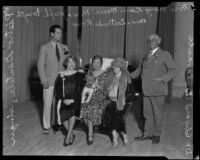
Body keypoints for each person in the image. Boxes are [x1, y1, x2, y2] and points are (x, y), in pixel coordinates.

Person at [130, 34, 176, 144]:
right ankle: (147, 134)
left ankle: (157, 134)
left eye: (153, 40)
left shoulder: (165, 54)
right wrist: (127, 75)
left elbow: (173, 70)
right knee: (147, 113)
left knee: (157, 114)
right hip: (146, 90)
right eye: (149, 40)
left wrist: (163, 78)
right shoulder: (146, 56)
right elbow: (139, 70)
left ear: (158, 41)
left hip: (157, 90)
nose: (151, 42)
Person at [37, 24, 69, 134]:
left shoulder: (65, 47)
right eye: (58, 33)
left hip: (61, 80)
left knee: (59, 103)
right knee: (48, 103)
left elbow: (68, 62)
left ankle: (57, 124)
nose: (60, 35)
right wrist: (43, 80)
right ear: (52, 34)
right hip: (49, 80)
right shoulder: (44, 47)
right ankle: (46, 126)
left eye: (61, 33)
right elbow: (40, 66)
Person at [52, 55, 85, 146]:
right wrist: (63, 100)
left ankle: (68, 136)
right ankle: (72, 134)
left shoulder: (79, 75)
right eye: (69, 62)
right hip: (64, 100)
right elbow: (57, 89)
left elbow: (80, 89)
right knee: (62, 116)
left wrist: (73, 99)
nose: (72, 64)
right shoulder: (61, 74)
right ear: (66, 63)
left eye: (74, 62)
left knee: (73, 113)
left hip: (75, 100)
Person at [79, 55, 109, 145]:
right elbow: (84, 87)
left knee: (91, 107)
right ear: (92, 63)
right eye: (94, 62)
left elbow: (106, 92)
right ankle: (91, 127)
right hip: (88, 97)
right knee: (83, 107)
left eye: (98, 62)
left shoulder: (105, 75)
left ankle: (90, 134)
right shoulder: (89, 74)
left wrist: (99, 86)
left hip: (100, 98)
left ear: (101, 64)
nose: (96, 64)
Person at [103, 57, 131, 147]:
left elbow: (130, 92)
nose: (114, 69)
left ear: (122, 67)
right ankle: (123, 135)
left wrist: (126, 101)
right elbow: (104, 90)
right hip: (110, 101)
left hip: (122, 102)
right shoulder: (110, 75)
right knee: (111, 118)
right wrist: (108, 89)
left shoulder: (126, 77)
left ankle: (115, 137)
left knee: (117, 117)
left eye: (117, 67)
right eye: (114, 67)